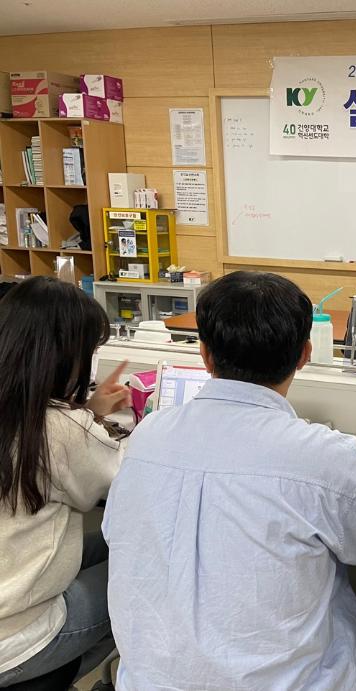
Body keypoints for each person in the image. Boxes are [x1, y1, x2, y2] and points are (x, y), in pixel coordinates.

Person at [103, 271, 356, 690]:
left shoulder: (147, 435)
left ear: (204, 354)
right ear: (304, 354)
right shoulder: (321, 456)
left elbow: (115, 530)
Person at [0, 277, 129, 687]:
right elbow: (127, 477)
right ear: (65, 355)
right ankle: (54, 674)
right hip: (17, 637)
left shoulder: (29, 420)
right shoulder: (58, 430)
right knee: (147, 572)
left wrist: (88, 411)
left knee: (107, 544)